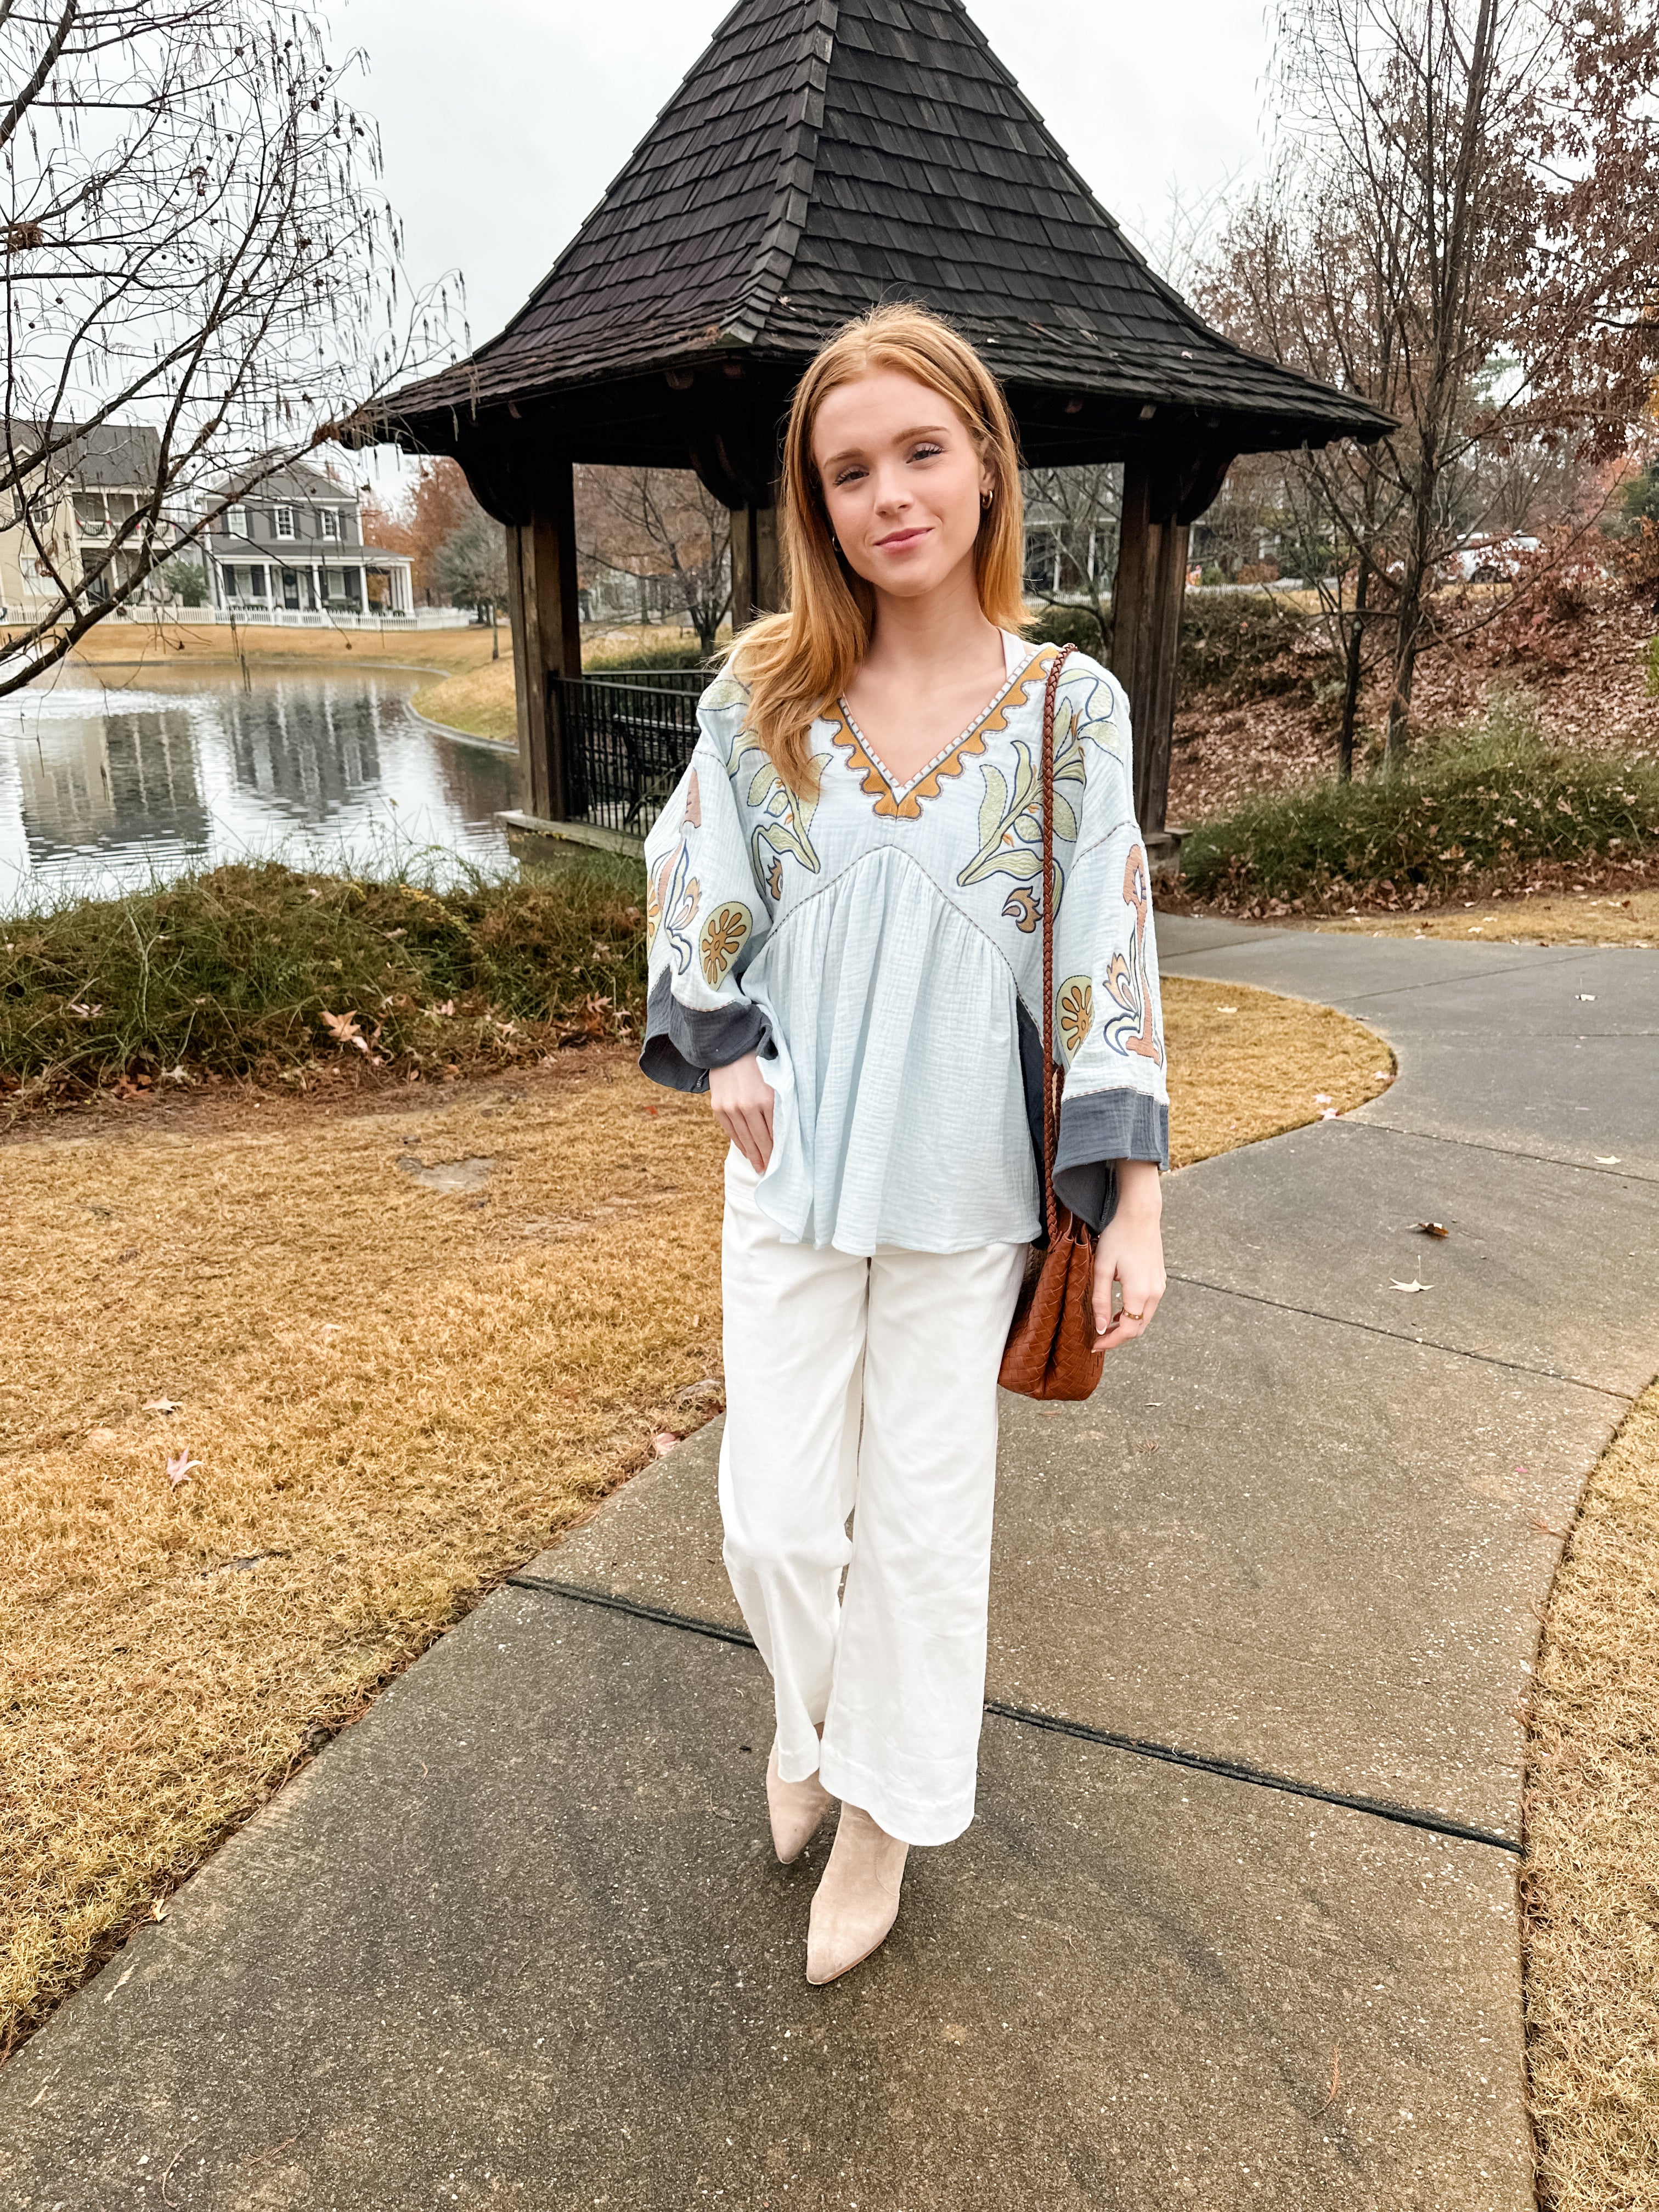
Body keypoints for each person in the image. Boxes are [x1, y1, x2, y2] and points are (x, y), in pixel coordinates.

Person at [640, 303, 1168, 1985]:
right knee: (776, 1524)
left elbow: (1109, 946)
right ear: (818, 502)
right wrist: (716, 1032)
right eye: (849, 469)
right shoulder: (762, 693)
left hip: (966, 1193)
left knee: (926, 1527)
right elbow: (692, 880)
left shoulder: (1069, 708)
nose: (889, 495)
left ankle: (879, 1816)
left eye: (920, 452)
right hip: (791, 1165)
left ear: (986, 463)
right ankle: (807, 1719)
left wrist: (1135, 1204)